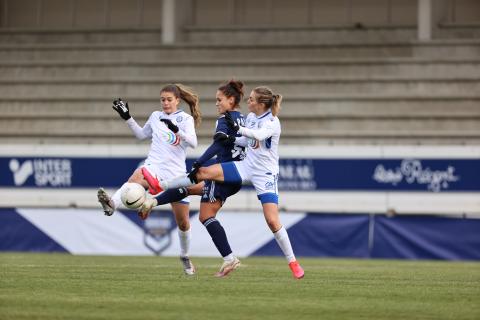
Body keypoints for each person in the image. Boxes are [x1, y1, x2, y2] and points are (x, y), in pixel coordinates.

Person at [146, 86, 305, 279]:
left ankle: (292, 261)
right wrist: (232, 138)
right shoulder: (252, 118)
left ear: (262, 104)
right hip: (246, 166)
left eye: (252, 99)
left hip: (265, 174)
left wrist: (238, 129)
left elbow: (259, 136)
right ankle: (160, 185)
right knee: (202, 172)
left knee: (272, 220)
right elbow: (247, 142)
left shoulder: (272, 122)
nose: (248, 101)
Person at [140, 80, 247, 277]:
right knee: (188, 188)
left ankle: (230, 259)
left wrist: (201, 160)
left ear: (231, 100)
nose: (216, 103)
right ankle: (152, 201)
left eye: (219, 100)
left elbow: (218, 144)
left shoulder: (224, 119)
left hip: (223, 174)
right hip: (236, 173)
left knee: (204, 213)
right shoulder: (244, 119)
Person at [96, 83, 201, 276]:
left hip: (176, 174)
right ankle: (112, 204)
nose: (165, 103)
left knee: (183, 223)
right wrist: (127, 117)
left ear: (178, 100)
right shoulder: (155, 116)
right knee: (136, 176)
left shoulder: (185, 119)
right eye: (163, 99)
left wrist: (176, 130)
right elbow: (141, 135)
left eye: (169, 99)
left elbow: (193, 143)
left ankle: (185, 256)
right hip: (154, 166)